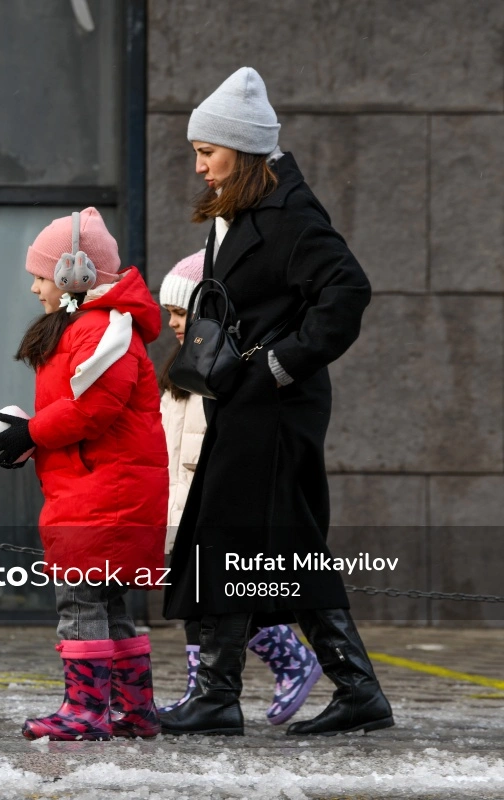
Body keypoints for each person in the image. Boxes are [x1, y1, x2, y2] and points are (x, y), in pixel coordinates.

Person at [160, 66, 393, 737]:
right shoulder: (243, 207)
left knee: (251, 540)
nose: (200, 167)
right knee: (264, 544)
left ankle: (224, 695)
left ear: (242, 147)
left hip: (277, 408)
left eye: (207, 153)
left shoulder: (289, 215)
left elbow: (347, 291)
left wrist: (285, 363)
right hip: (248, 403)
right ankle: (341, 688)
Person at [0, 207, 167, 741]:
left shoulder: (105, 330)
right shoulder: (91, 328)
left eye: (40, 275)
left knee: (80, 603)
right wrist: (29, 434)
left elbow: (92, 409)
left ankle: (85, 710)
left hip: (103, 496)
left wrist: (30, 434)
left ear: (74, 274)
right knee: (108, 604)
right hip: (96, 490)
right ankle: (134, 710)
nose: (35, 287)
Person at [157, 249, 322, 726]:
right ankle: (202, 691)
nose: (173, 323)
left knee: (218, 600)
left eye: (182, 312)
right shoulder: (182, 372)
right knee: (197, 602)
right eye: (169, 312)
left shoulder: (220, 369)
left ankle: (290, 659)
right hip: (181, 497)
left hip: (207, 497)